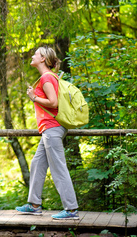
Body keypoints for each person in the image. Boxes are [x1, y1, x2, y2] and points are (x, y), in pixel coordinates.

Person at [15, 46, 79, 220]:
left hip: (52, 128)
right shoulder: (48, 77)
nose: (32, 56)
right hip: (49, 129)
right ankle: (34, 204)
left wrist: (34, 98)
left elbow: (53, 102)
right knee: (37, 164)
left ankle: (71, 209)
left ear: (43, 58)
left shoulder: (46, 77)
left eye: (36, 54)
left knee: (58, 168)